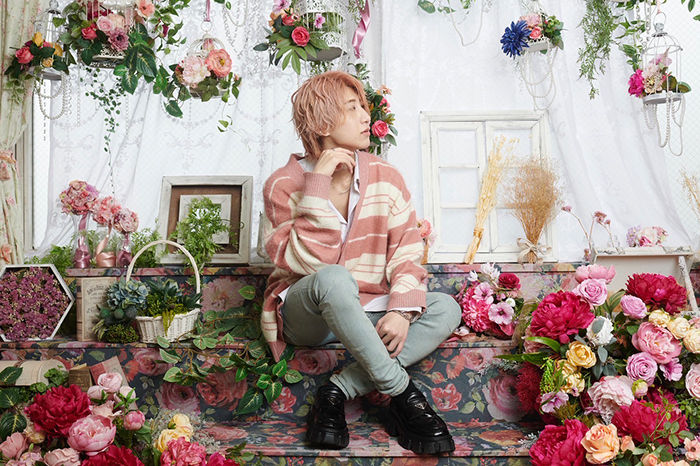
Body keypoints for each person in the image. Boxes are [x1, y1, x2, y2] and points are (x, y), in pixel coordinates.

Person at [261, 70, 461, 455]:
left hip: (366, 311)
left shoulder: (386, 177)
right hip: (307, 315)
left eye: (363, 108)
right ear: (322, 123)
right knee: (334, 279)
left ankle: (338, 389)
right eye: (352, 108)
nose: (366, 117)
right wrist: (317, 185)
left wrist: (400, 311)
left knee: (446, 307)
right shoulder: (282, 185)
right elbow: (307, 264)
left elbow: (407, 249)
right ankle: (402, 394)